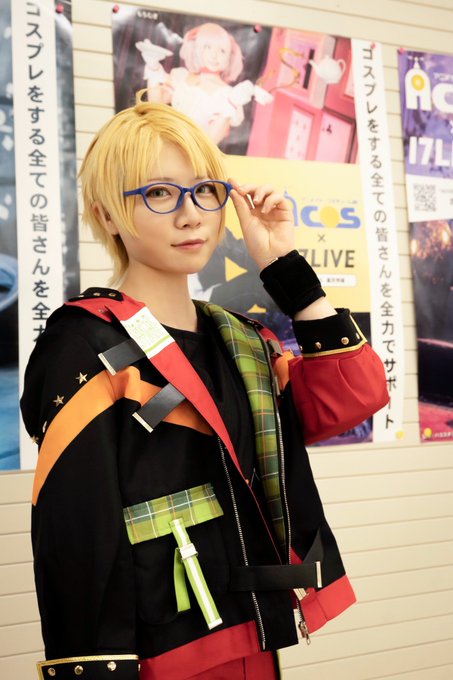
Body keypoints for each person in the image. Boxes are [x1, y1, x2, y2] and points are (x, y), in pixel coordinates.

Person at [21, 92, 389, 680]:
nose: (191, 215)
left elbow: (351, 402)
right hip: (164, 655)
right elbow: (77, 534)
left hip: (257, 637)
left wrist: (286, 268)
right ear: (107, 214)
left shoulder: (240, 338)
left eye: (204, 191)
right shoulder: (84, 345)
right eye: (159, 193)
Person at [137, 23, 272, 145]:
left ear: (230, 56)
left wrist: (232, 103)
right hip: (171, 144)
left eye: (222, 51)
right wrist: (153, 66)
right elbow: (156, 103)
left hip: (199, 154)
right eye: (208, 47)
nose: (214, 55)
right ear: (197, 49)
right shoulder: (182, 77)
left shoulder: (228, 94)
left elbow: (210, 141)